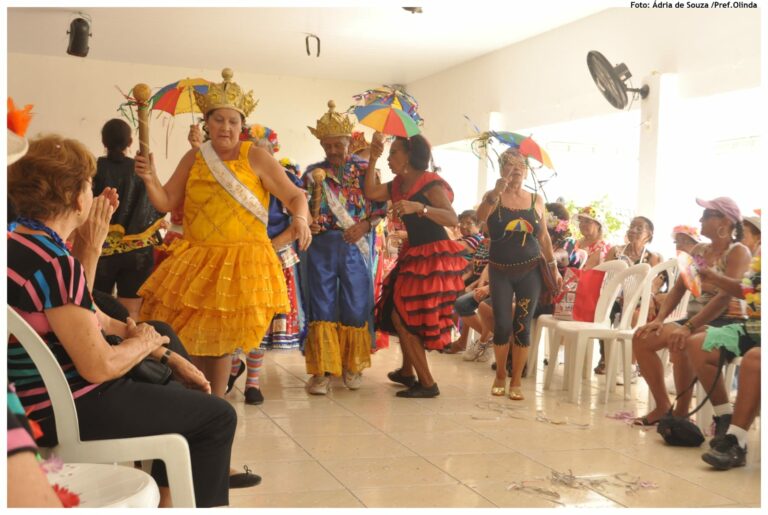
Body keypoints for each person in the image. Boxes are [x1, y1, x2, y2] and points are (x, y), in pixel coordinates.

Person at [8, 134, 239, 507]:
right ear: (78, 197)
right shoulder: (54, 262)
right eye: (88, 185)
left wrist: (163, 352)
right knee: (218, 417)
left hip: (34, 398)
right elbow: (99, 366)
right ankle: (179, 493)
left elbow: (94, 319)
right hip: (64, 405)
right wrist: (144, 343)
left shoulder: (19, 241)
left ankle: (173, 491)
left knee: (171, 363)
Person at [135, 68, 311, 400]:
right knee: (190, 338)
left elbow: (295, 196)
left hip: (240, 261)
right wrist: (149, 179)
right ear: (207, 123)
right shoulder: (194, 157)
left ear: (241, 125)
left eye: (233, 121)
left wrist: (300, 218)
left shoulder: (255, 156)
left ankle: (214, 404)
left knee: (218, 344)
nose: (226, 128)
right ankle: (201, 402)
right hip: (198, 258)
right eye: (219, 121)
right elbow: (166, 201)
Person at [364, 131, 467, 398]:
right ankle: (408, 372)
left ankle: (428, 383)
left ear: (409, 155)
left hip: (434, 255)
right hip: (415, 253)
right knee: (401, 309)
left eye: (393, 153)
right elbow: (371, 191)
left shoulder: (430, 183)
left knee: (403, 314)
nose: (389, 159)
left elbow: (451, 218)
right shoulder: (397, 184)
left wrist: (419, 208)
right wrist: (372, 159)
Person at [632, 197, 751, 425]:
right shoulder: (700, 250)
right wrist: (659, 319)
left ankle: (683, 412)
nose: (700, 220)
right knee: (642, 337)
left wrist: (688, 327)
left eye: (707, 215)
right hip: (693, 320)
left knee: (683, 340)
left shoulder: (739, 252)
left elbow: (724, 298)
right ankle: (664, 406)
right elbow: (679, 287)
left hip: (724, 321)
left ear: (724, 221)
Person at [302, 101, 386, 395]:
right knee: (321, 305)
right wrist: (307, 221)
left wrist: (365, 225)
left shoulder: (366, 169)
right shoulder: (312, 174)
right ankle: (322, 372)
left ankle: (352, 366)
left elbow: (381, 207)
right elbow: (298, 207)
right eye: (328, 146)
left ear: (349, 142)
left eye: (338, 145)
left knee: (355, 303)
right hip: (321, 247)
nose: (334, 151)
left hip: (355, 245)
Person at [475, 148, 562, 400]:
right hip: (500, 270)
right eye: (510, 165)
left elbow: (543, 236)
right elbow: (481, 220)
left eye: (520, 166)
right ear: (501, 169)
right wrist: (495, 192)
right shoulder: (493, 197)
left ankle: (516, 379)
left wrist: (553, 267)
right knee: (502, 324)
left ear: (527, 170)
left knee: (522, 325)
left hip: (530, 270)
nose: (516, 170)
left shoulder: (535, 199)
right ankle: (500, 374)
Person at [684, 252, 760, 467]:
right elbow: (748, 291)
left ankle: (737, 441)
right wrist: (714, 276)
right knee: (698, 345)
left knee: (755, 359)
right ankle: (725, 417)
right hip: (755, 328)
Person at [92, 118, 165, 321]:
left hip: (101, 249)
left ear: (104, 142)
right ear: (130, 142)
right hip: (137, 251)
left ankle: (104, 347)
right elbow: (158, 203)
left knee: (98, 309)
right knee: (132, 313)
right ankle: (129, 348)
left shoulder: (95, 169)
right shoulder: (141, 170)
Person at [598, 216, 664, 377]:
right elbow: (603, 276)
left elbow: (655, 283)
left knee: (636, 314)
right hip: (613, 297)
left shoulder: (653, 257)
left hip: (637, 299)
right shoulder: (616, 251)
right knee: (604, 310)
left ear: (649, 235)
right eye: (631, 226)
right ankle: (605, 357)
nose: (633, 230)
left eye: (639, 228)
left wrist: (646, 296)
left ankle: (632, 366)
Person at [573, 205, 610, 271]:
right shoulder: (577, 242)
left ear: (598, 225)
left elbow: (585, 270)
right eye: (581, 221)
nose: (582, 224)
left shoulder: (602, 246)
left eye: (587, 221)